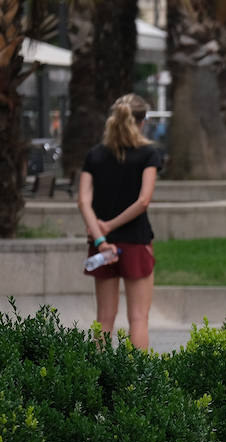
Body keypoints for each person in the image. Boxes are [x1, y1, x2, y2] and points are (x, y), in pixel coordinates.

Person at [77, 93, 161, 351]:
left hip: (102, 247)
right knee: (138, 318)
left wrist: (101, 237)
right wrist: (111, 225)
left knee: (104, 319)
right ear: (142, 121)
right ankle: (138, 384)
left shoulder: (95, 155)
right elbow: (144, 200)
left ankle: (98, 380)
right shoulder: (148, 154)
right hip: (135, 242)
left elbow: (83, 201)